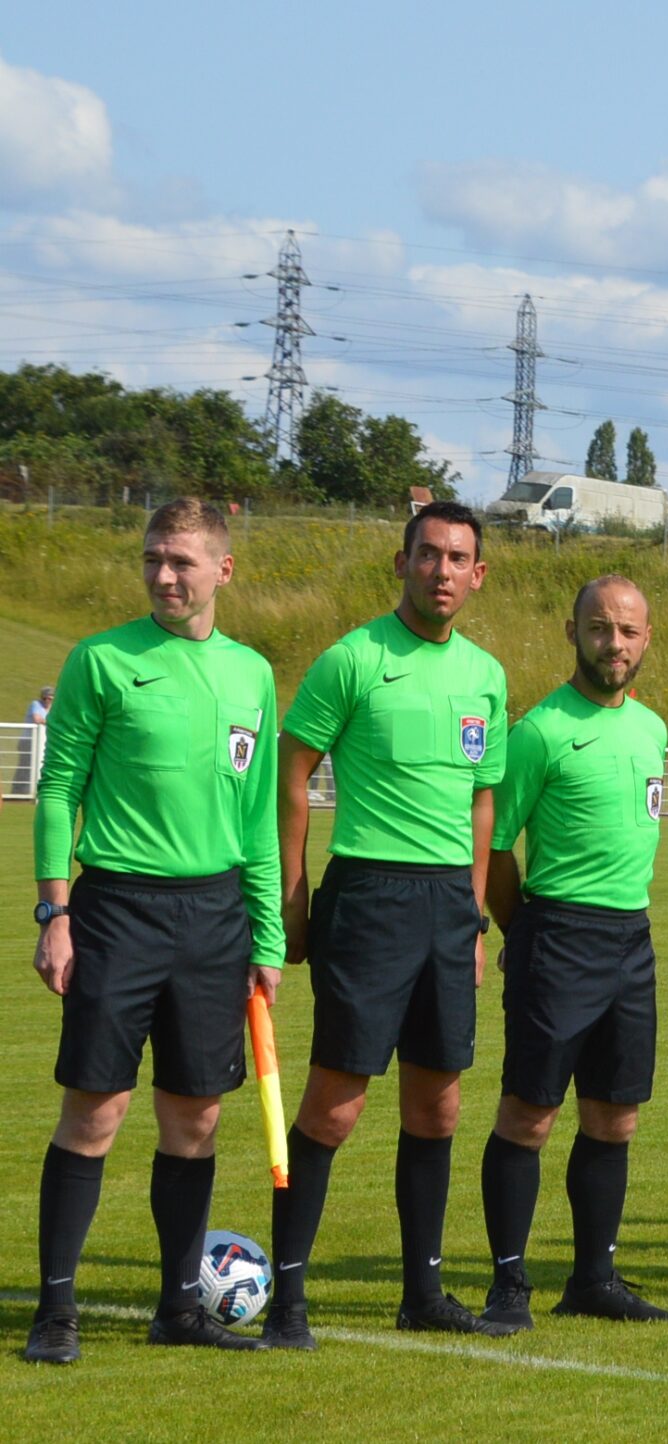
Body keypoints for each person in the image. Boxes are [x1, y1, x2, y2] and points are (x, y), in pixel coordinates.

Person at [25, 499, 279, 1364]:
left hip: (215, 920)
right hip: (116, 913)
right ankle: (55, 1311)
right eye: (152, 560)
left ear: (223, 570)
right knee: (96, 1111)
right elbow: (59, 788)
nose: (164, 576)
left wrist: (267, 941)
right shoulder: (101, 660)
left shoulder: (252, 675)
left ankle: (179, 1308)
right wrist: (56, 911)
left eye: (181, 562)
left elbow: (257, 822)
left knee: (195, 1119)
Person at [265, 499, 508, 1346]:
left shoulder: (486, 675)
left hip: (447, 909)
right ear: (402, 563)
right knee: (336, 1105)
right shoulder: (353, 659)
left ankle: (423, 1295)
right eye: (428, 554)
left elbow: (483, 803)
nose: (442, 571)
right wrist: (293, 893)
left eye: (457, 558)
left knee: (438, 1107)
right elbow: (291, 775)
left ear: (478, 575)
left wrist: (473, 916)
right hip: (369, 896)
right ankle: (287, 1299)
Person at [476, 576, 668, 1330]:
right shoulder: (540, 731)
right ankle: (508, 1286)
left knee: (615, 1118)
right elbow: (495, 846)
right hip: (558, 935)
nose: (612, 644)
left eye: (627, 631)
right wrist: (523, 929)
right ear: (573, 633)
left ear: (645, 638)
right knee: (529, 1115)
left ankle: (594, 1280)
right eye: (599, 628)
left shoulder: (652, 729)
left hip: (631, 940)